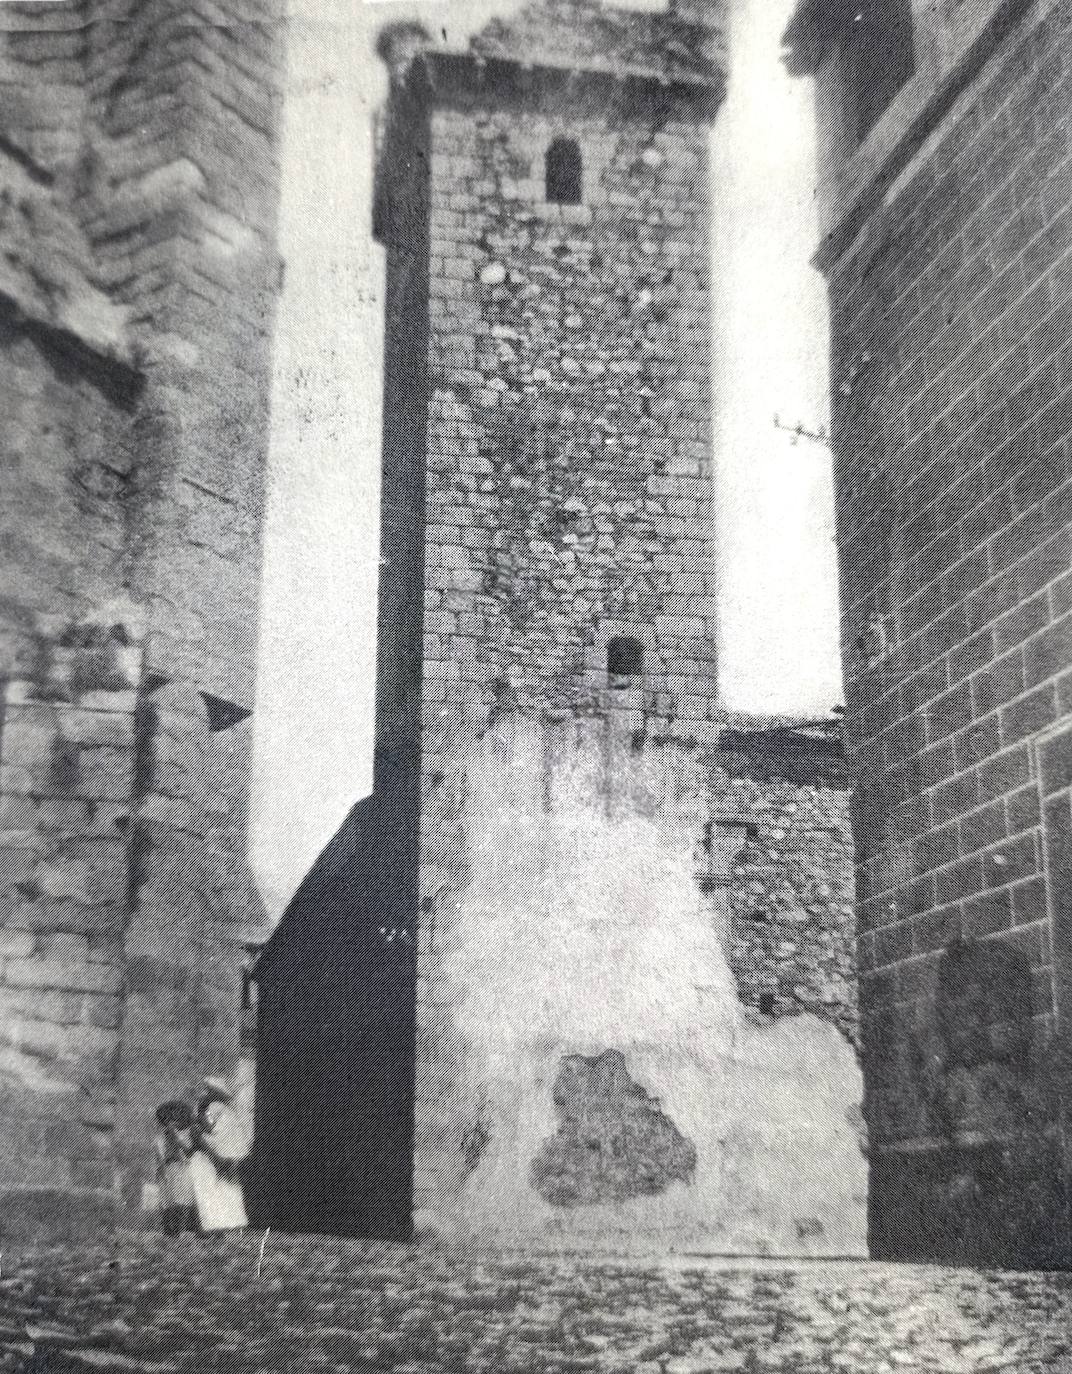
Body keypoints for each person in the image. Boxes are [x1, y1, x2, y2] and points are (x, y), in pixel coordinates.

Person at [188, 1077, 250, 1231]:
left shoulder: (214, 1107)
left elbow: (209, 1127)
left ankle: (211, 1226)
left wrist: (200, 1120)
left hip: (219, 1147)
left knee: (213, 1187)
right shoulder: (226, 1109)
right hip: (228, 1149)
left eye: (208, 1091)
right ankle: (219, 1225)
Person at [153, 1101, 198, 1236]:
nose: (172, 1122)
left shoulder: (184, 1135)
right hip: (167, 1167)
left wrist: (177, 1138)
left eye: (176, 1119)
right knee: (166, 1200)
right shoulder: (160, 1138)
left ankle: (178, 1230)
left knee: (180, 1198)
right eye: (169, 1120)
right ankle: (168, 1230)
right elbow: (159, 1153)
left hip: (181, 1167)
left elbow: (189, 1151)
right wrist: (161, 1166)